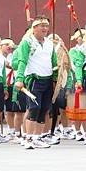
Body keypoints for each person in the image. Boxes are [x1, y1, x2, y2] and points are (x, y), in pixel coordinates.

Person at [15, 17, 58, 149]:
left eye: (46, 25)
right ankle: (28, 137)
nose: (44, 28)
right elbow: (22, 61)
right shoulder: (27, 42)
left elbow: (54, 62)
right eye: (41, 25)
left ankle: (37, 137)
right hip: (34, 79)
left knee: (44, 109)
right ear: (34, 28)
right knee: (34, 109)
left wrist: (57, 79)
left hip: (48, 79)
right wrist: (19, 79)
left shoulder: (50, 43)